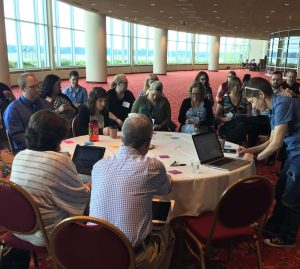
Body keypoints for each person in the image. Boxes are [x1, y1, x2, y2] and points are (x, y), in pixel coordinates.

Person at [89, 114, 174, 269]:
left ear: (122, 138)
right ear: (148, 144)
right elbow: (167, 188)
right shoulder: (152, 167)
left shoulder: (98, 165)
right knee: (169, 229)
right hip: (132, 258)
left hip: (95, 253)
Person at [10, 110, 90, 247]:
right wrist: (91, 185)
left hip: (18, 227)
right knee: (94, 197)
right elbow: (81, 197)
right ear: (56, 138)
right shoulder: (59, 160)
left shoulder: (19, 156)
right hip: (46, 234)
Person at [238, 77, 300, 248]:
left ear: (260, 94)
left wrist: (255, 160)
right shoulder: (274, 109)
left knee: (292, 197)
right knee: (281, 192)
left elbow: (277, 143)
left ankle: (288, 237)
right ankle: (274, 227)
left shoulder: (283, 103)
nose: (254, 106)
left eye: (252, 101)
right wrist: (249, 151)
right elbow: (270, 141)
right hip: (294, 152)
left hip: (298, 153)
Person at [3, 73, 50, 153]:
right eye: (32, 87)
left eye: (38, 86)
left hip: (47, 147)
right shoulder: (13, 109)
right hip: (25, 151)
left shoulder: (44, 103)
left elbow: (52, 126)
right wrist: (41, 147)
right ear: (22, 88)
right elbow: (19, 137)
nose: (38, 89)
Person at [216, 76, 252, 145]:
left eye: (238, 85)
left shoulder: (246, 100)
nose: (236, 87)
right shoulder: (223, 99)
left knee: (242, 126)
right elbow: (217, 116)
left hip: (240, 125)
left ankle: (227, 142)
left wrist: (243, 117)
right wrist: (225, 119)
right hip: (227, 124)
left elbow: (249, 115)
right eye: (233, 85)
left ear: (241, 86)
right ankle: (229, 142)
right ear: (230, 86)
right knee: (225, 130)